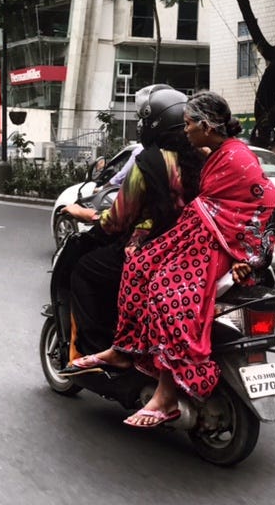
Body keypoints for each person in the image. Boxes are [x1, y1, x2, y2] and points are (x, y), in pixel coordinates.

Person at [69, 91, 275, 428]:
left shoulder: (236, 157)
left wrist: (252, 257)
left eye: (190, 125)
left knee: (168, 294)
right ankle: (124, 350)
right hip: (193, 235)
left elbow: (270, 202)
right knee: (137, 267)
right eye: (181, 125)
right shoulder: (210, 153)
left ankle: (166, 395)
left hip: (215, 245)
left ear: (206, 125)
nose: (186, 132)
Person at [60, 85, 206, 359]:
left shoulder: (149, 162)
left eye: (144, 120)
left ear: (154, 124)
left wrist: (86, 215)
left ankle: (97, 352)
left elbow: (117, 220)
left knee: (84, 269)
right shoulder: (204, 159)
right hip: (193, 254)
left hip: (151, 251)